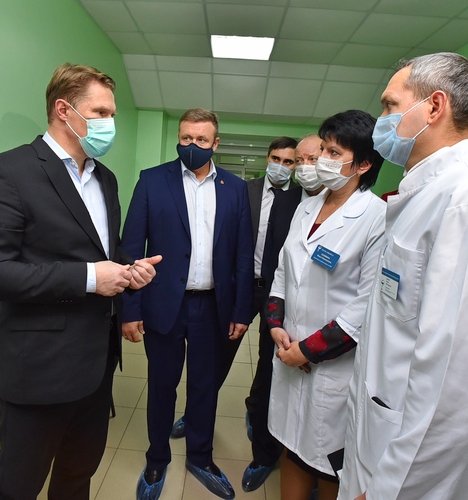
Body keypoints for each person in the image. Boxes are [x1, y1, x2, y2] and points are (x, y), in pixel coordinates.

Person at [339, 52, 468, 500]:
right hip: (384, 435)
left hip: (419, 477)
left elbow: (460, 380)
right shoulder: (427, 193)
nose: (381, 120)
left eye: (390, 105)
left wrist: (387, 491)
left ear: (434, 106)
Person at [0, 63, 160, 500]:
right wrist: (90, 277)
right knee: (18, 487)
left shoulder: (104, 178)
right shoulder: (6, 172)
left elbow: (101, 252)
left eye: (112, 114)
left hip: (96, 367)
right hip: (39, 368)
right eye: (101, 112)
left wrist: (128, 270)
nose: (110, 124)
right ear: (64, 110)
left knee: (76, 478)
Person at [121, 108, 254, 500]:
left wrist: (241, 310)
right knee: (162, 385)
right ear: (178, 138)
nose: (192, 145)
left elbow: (242, 255)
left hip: (212, 306)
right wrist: (130, 309)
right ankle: (157, 459)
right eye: (185, 138)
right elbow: (131, 250)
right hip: (164, 304)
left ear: (216, 143)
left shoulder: (235, 188)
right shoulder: (151, 181)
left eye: (201, 139)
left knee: (204, 387)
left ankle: (200, 456)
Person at [265, 110, 386, 500]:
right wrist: (275, 325)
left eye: (334, 153)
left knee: (330, 460)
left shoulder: (377, 218)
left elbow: (365, 306)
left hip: (333, 366)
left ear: (363, 164)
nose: (322, 161)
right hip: (289, 352)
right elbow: (283, 272)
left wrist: (307, 350)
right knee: (292, 446)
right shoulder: (307, 207)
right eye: (324, 150)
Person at [171, 136, 297, 442]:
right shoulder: (244, 190)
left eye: (289, 162)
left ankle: (256, 411)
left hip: (278, 292)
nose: (281, 166)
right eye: (276, 159)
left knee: (269, 360)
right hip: (240, 286)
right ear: (267, 158)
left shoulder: (301, 199)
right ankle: (195, 413)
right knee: (219, 353)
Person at [242, 134, 323, 492]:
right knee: (268, 369)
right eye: (295, 160)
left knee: (287, 381)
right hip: (273, 299)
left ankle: (281, 455)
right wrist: (274, 315)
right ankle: (263, 450)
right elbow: (279, 264)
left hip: (319, 316)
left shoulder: (346, 206)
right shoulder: (287, 201)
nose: (301, 168)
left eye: (309, 160)